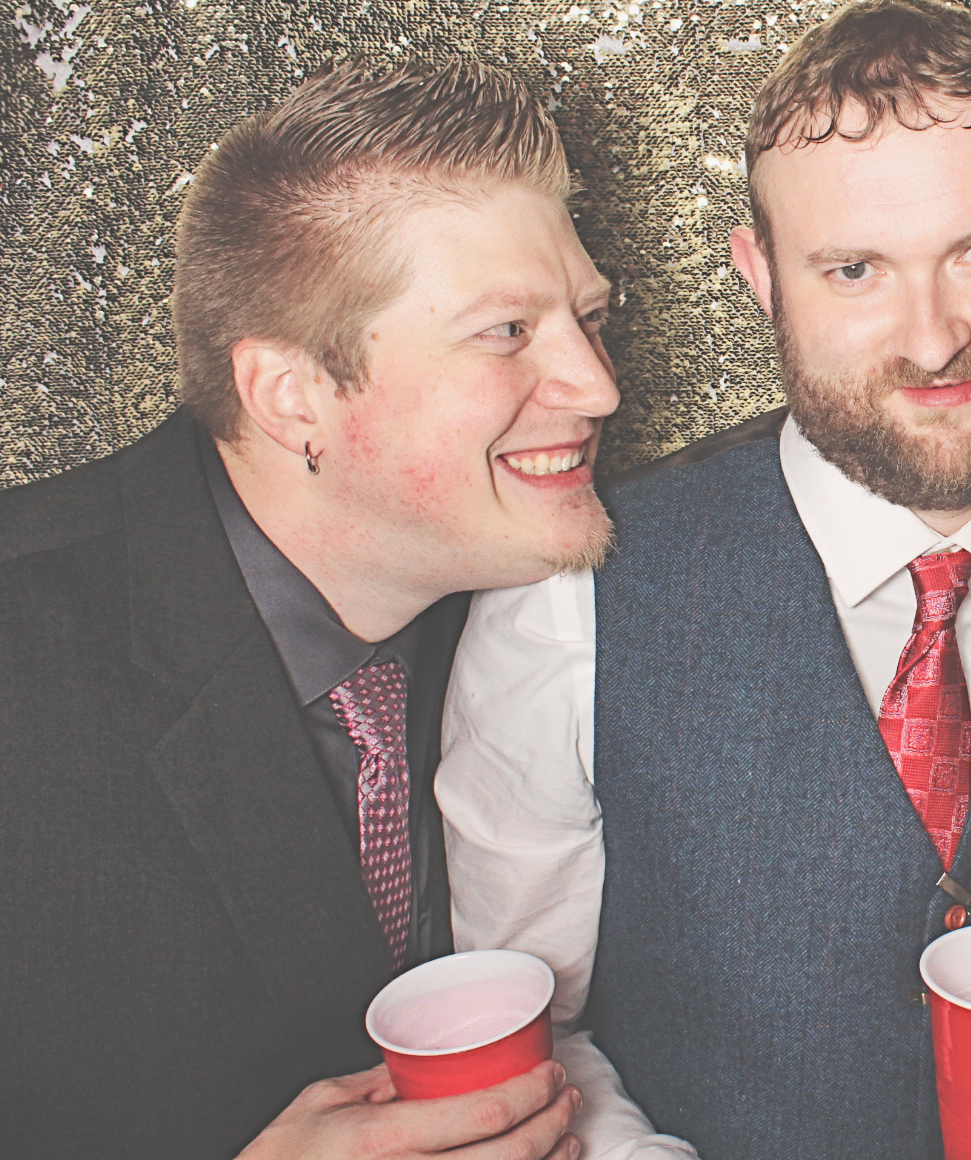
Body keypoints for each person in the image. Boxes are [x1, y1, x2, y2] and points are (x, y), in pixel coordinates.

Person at [439, 0, 971, 1160]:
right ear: (762, 275)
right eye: (853, 270)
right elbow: (528, 1026)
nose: (932, 339)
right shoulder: (570, 588)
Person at [0, 61, 620, 1158]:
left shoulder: (547, 620)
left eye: (589, 317)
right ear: (292, 399)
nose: (598, 385)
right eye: (506, 331)